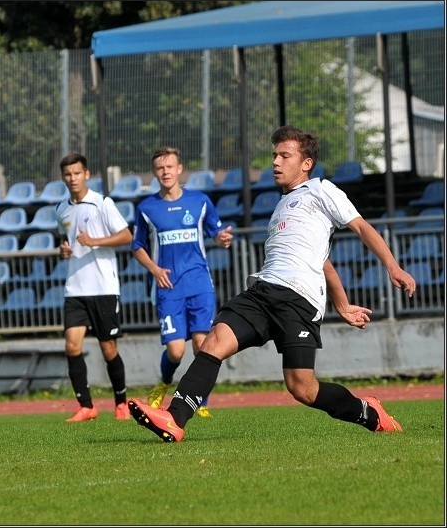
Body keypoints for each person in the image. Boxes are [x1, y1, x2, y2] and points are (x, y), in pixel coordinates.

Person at [128, 125, 417, 442]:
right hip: (262, 292)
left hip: (299, 301)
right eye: (274, 155)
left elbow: (361, 228)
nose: (276, 162)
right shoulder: (281, 206)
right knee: (214, 342)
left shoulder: (322, 190)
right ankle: (175, 419)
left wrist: (392, 266)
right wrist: (342, 303)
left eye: (284, 155)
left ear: (305, 163)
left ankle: (369, 412)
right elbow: (323, 262)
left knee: (302, 388)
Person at [132, 147, 233, 417]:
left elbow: (217, 233)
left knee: (203, 345)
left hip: (199, 283)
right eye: (160, 168)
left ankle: (200, 401)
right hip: (168, 287)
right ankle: (164, 383)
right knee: (176, 351)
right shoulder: (146, 208)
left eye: (170, 167)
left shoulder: (199, 201)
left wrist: (222, 239)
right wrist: (154, 269)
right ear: (155, 172)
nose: (165, 172)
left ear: (179, 169)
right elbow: (137, 246)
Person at [56, 153, 133, 422]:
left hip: (103, 287)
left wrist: (94, 241)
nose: (72, 178)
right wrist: (64, 250)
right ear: (63, 177)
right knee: (72, 345)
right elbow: (65, 240)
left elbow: (126, 235)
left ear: (86, 174)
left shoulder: (102, 203)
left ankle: (121, 403)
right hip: (75, 288)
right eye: (68, 174)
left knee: (108, 348)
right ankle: (86, 406)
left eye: (77, 173)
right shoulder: (61, 209)